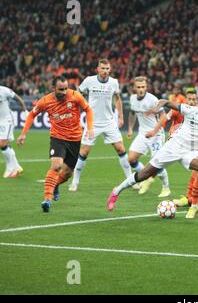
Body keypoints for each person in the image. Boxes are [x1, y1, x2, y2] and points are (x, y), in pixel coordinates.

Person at [106, 97, 198, 211]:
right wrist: (156, 108)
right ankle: (116, 192)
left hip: (191, 152)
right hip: (173, 147)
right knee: (145, 174)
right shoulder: (190, 110)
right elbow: (165, 101)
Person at [17, 76, 94, 212]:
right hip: (57, 137)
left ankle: (56, 184)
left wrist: (90, 127)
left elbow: (88, 110)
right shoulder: (46, 101)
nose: (64, 92)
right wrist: (23, 133)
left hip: (75, 139)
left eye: (65, 89)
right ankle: (47, 199)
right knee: (56, 165)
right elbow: (31, 115)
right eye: (61, 89)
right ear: (53, 88)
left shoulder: (75, 96)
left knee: (68, 173)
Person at [69, 59, 131, 192]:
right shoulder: (89, 81)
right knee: (84, 151)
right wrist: (77, 117)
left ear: (110, 69)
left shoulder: (114, 82)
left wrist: (120, 116)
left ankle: (130, 180)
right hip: (93, 122)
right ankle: (75, 182)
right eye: (103, 68)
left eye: (107, 69)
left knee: (120, 149)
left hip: (109, 122)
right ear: (97, 69)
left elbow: (117, 99)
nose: (105, 71)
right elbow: (78, 97)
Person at [127, 76, 170, 197]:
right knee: (131, 159)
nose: (141, 89)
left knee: (157, 162)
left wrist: (154, 131)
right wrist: (130, 128)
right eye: (139, 87)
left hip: (156, 134)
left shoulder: (152, 99)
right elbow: (132, 113)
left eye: (143, 87)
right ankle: (146, 176)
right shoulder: (132, 99)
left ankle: (166, 188)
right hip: (142, 133)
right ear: (134, 88)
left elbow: (163, 116)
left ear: (146, 87)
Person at [0, 85, 27, 178]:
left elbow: (18, 98)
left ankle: (10, 168)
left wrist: (25, 111)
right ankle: (16, 167)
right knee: (4, 145)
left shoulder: (4, 90)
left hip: (7, 120)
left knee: (2, 144)